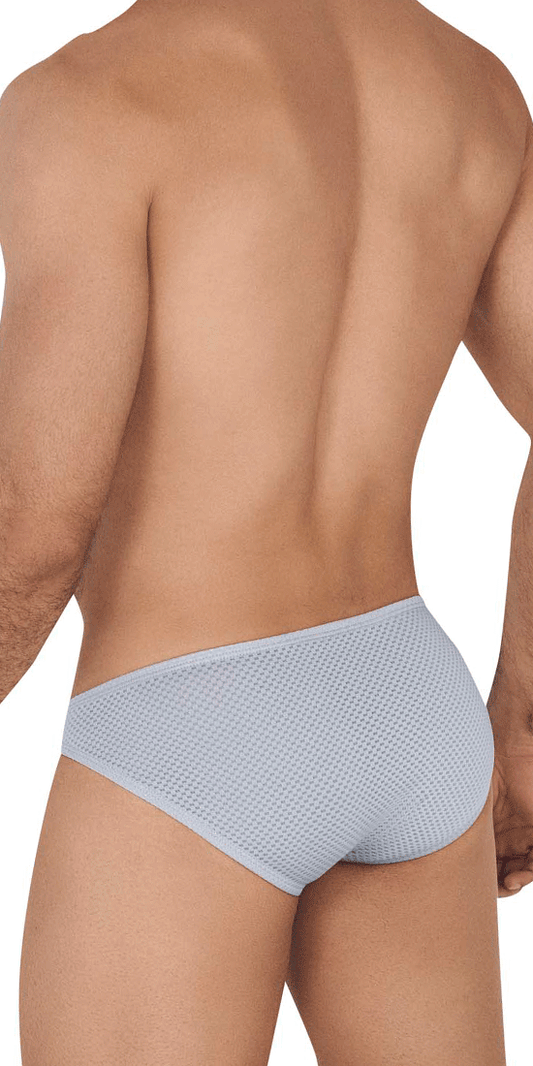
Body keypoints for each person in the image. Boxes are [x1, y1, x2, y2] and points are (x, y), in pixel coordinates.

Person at [0, 0, 532, 1061]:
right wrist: (520, 709)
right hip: (409, 703)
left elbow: (34, 528)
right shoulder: (472, 85)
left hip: (190, 726)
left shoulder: (94, 96)